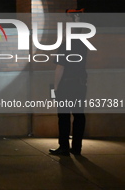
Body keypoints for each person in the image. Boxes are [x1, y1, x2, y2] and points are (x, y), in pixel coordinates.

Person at [49, 10, 88, 156]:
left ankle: (64, 146)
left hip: (66, 85)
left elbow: (60, 67)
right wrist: (77, 21)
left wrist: (56, 87)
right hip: (80, 85)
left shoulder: (65, 46)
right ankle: (77, 148)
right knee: (79, 116)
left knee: (64, 117)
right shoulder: (83, 45)